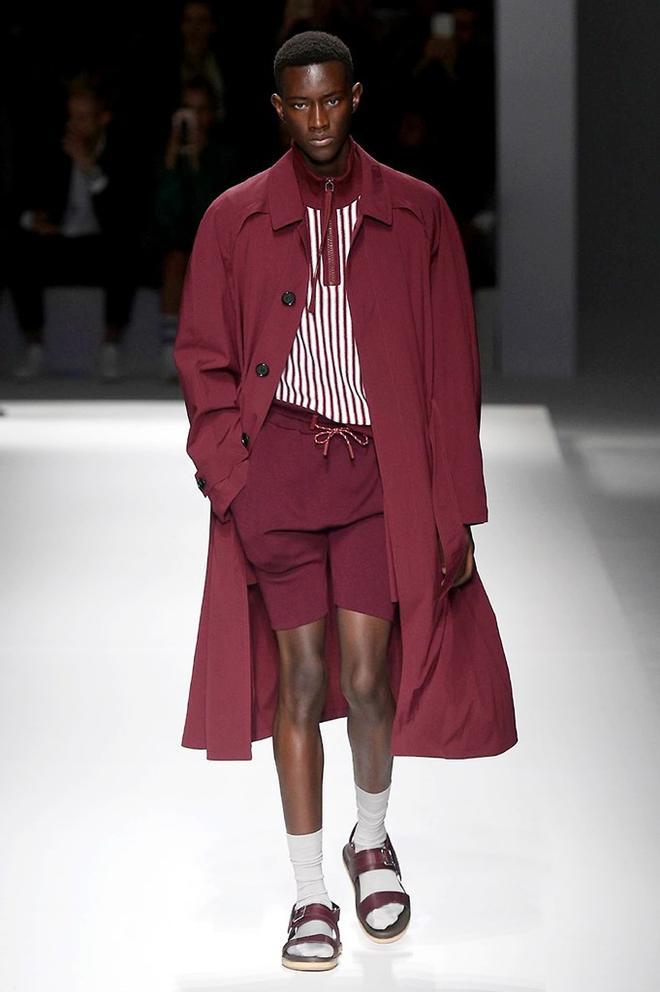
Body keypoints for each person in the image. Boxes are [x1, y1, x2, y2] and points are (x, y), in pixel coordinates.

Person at [174, 30, 517, 973]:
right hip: (278, 476)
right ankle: (309, 893)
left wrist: (457, 508)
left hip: (377, 476)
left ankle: (371, 840)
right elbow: (202, 354)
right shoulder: (235, 218)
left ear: (356, 97)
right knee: (299, 678)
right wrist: (228, 472)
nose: (318, 118)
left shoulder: (418, 212)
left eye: (332, 99)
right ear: (278, 109)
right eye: (301, 103)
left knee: (367, 678)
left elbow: (453, 369)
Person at [8, 75, 143, 381]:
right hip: (59, 241)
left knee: (125, 248)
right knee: (20, 249)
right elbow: (21, 199)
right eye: (71, 117)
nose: (74, 125)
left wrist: (89, 169)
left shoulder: (122, 151)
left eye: (83, 118)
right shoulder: (52, 146)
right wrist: (33, 220)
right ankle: (34, 347)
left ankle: (110, 346)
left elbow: (124, 216)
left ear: (103, 118)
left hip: (100, 244)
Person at [154, 74, 240, 381]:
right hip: (175, 240)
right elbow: (164, 214)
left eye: (201, 110)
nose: (195, 118)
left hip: (219, 241)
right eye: (189, 109)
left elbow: (218, 212)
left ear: (212, 114)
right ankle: (169, 351)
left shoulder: (225, 155)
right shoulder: (165, 154)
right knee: (176, 257)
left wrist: (197, 166)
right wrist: (171, 164)